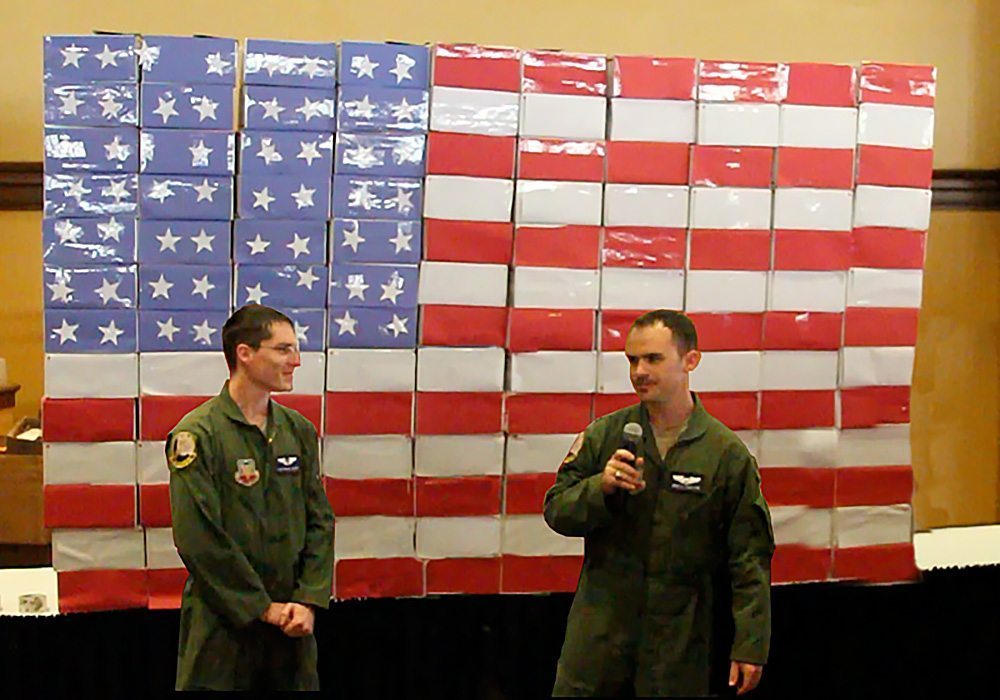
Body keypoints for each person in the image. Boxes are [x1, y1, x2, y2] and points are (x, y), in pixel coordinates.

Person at [544, 309, 775, 697]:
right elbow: (556, 510)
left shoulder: (724, 454)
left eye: (653, 359)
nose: (639, 372)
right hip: (599, 635)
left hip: (676, 643)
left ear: (691, 361)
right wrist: (599, 488)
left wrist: (750, 644)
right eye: (632, 360)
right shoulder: (606, 435)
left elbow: (749, 558)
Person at [167, 304, 335, 691]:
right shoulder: (198, 435)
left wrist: (308, 599)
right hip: (225, 627)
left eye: (295, 349)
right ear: (244, 353)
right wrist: (261, 608)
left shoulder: (298, 431)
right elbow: (199, 538)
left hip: (292, 626)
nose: (295, 361)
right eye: (282, 349)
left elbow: (319, 521)